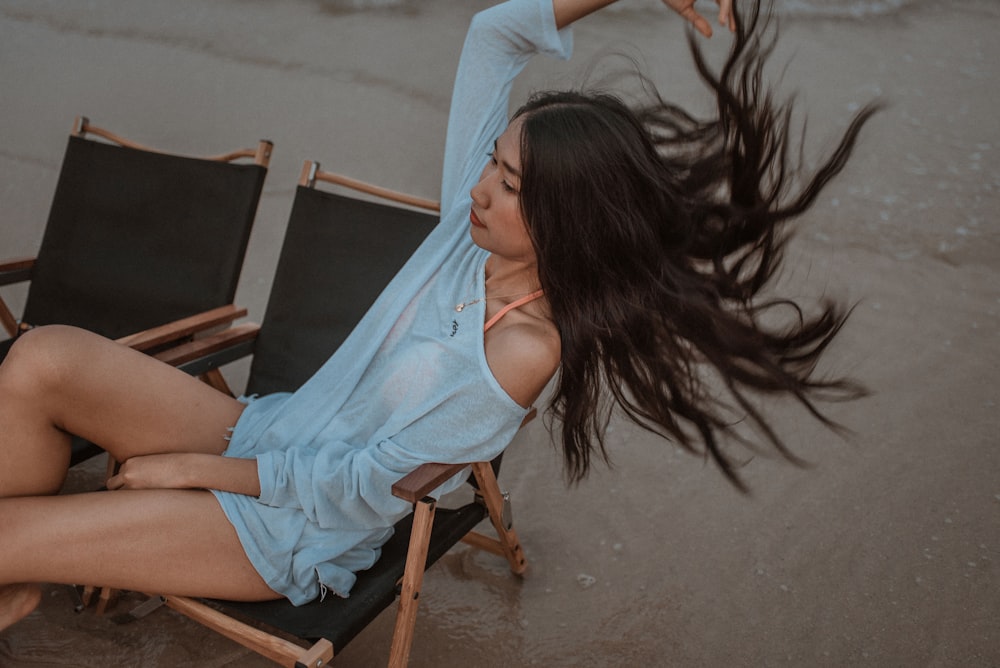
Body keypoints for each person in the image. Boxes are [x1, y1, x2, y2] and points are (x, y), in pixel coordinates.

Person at [0, 0, 876, 633]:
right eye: (492, 164)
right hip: (267, 433)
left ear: (566, 222)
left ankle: (28, 558)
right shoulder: (470, 238)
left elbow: (363, 488)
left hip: (284, 529)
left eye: (508, 184)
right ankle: (30, 573)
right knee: (41, 357)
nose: (475, 193)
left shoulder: (521, 354)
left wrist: (192, 471)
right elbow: (493, 34)